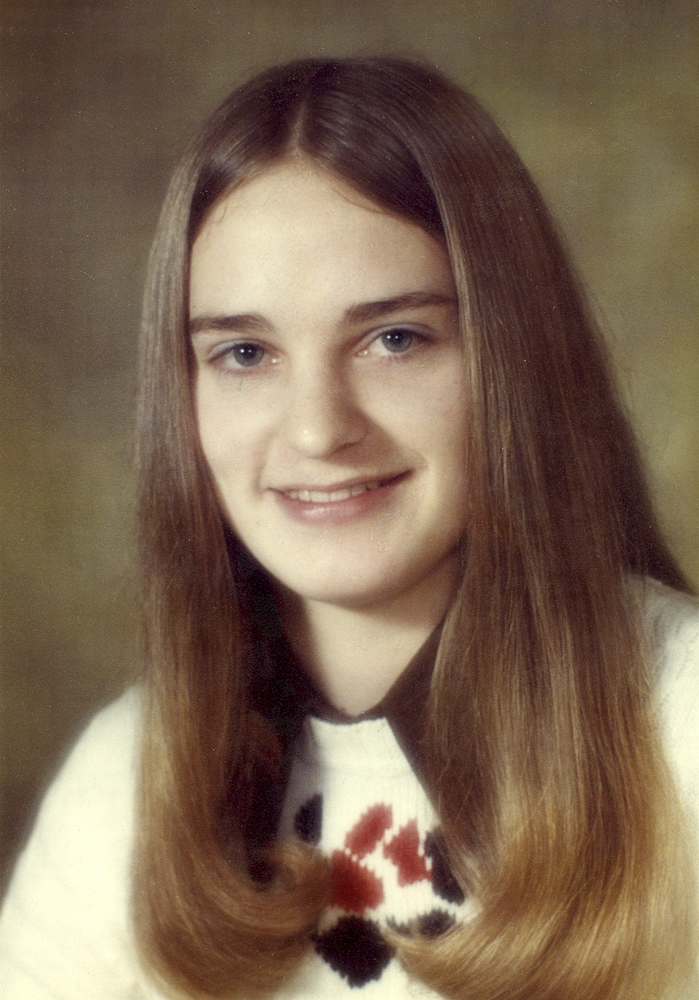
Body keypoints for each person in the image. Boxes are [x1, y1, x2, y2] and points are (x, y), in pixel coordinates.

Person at [1, 56, 698, 1000]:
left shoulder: (680, 722)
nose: (317, 429)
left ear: (511, 360)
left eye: (393, 339)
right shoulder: (124, 782)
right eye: (244, 353)